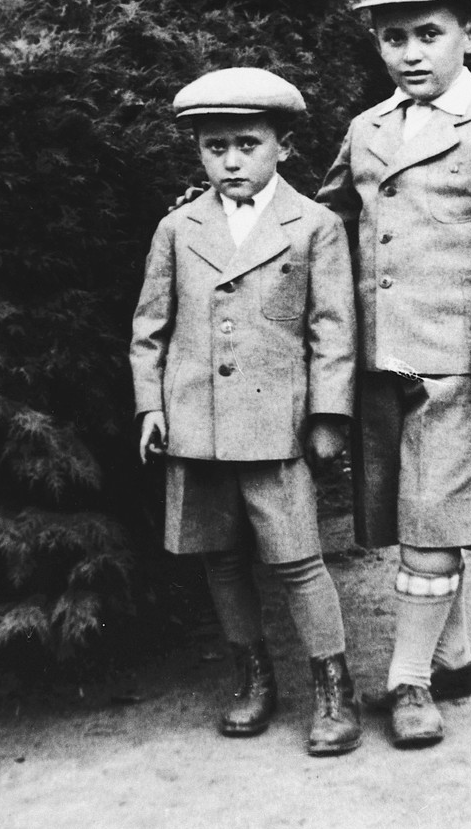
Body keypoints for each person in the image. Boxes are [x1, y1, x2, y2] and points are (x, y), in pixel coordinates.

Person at [315, 0, 471, 747]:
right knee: (414, 519)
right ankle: (452, 655)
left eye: (429, 33)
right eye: (392, 37)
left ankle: (409, 682)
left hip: (458, 365)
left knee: (427, 526)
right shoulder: (367, 128)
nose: (411, 53)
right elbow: (325, 217)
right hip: (384, 358)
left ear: (470, 34)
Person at [130, 66, 362, 757]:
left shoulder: (312, 225)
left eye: (247, 144)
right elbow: (149, 328)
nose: (230, 160)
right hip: (195, 423)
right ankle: (253, 678)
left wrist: (327, 417)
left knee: (296, 558)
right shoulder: (178, 227)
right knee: (220, 558)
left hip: (275, 426)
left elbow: (333, 330)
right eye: (213, 146)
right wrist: (151, 407)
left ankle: (333, 689)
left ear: (283, 145)